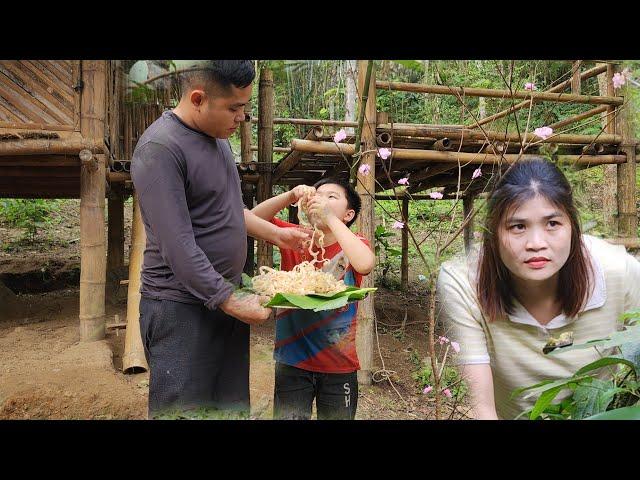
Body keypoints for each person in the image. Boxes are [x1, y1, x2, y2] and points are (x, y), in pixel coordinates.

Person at [130, 60, 309, 419]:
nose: (241, 117)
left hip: (219, 299)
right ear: (198, 98)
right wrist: (230, 299)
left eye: (245, 106)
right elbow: (176, 245)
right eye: (234, 107)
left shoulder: (217, 138)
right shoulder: (161, 149)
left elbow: (226, 210)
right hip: (180, 310)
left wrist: (277, 234)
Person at [436, 157, 640, 419]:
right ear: (493, 233)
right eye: (518, 226)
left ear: (573, 227)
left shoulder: (618, 271)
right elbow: (479, 408)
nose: (536, 243)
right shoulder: (463, 282)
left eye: (552, 224)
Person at [251, 178, 375, 419]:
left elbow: (365, 264)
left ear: (348, 214)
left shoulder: (353, 244)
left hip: (339, 365)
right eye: (317, 194)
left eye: (331, 197)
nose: (319, 199)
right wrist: (290, 196)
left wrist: (330, 218)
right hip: (292, 361)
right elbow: (251, 219)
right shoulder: (295, 237)